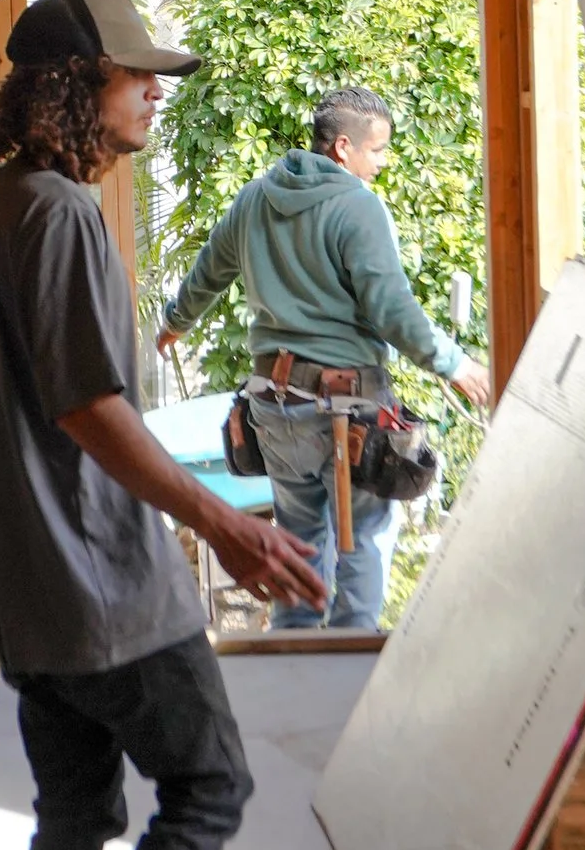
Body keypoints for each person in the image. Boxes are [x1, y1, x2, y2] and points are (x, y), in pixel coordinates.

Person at [0, 0, 326, 850]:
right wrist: (224, 520)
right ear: (76, 86)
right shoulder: (58, 215)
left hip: (31, 590)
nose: (152, 91)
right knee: (210, 783)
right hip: (101, 582)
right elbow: (90, 410)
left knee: (75, 821)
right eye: (135, 75)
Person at [158, 84, 490, 636]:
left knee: (299, 545)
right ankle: (348, 685)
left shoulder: (254, 198)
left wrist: (175, 322)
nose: (382, 163)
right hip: (347, 411)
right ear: (343, 147)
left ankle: (293, 677)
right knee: (362, 547)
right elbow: (391, 309)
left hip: (275, 406)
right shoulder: (357, 207)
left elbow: (207, 274)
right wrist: (454, 364)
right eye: (377, 150)